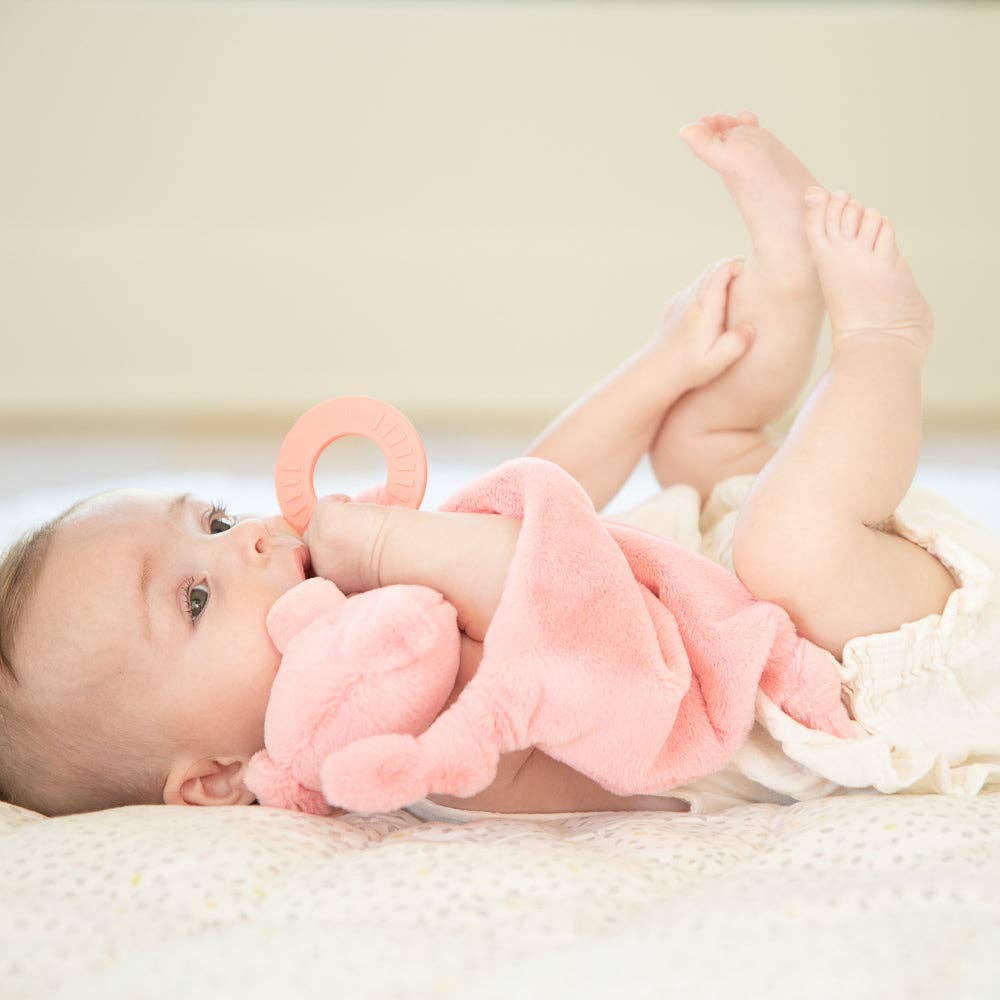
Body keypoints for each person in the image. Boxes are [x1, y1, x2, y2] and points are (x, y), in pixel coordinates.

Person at [2, 114, 994, 822]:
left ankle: (785, 278)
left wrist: (656, 371)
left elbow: (541, 489)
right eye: (194, 598)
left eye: (215, 520)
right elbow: (535, 581)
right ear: (215, 778)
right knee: (790, 542)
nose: (250, 539)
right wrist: (392, 545)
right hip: (835, 675)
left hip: (727, 602)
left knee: (700, 442)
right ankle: (883, 341)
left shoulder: (376, 600)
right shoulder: (398, 747)